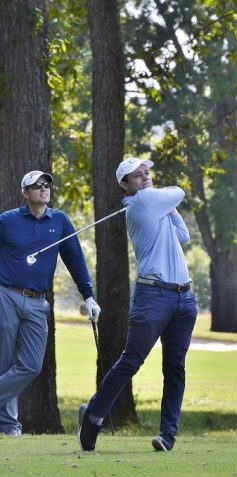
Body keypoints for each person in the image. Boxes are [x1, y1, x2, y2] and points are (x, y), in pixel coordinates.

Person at [77, 157, 198, 452]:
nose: (145, 177)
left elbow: (184, 236)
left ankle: (167, 435)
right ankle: (93, 416)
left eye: (146, 172)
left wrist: (166, 206)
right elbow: (179, 192)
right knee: (131, 361)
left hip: (184, 297)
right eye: (136, 175)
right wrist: (165, 202)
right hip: (153, 296)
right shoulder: (143, 202)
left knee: (175, 366)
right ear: (124, 185)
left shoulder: (151, 204)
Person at [0, 170, 101, 436]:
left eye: (47, 184)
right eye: (37, 185)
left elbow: (75, 259)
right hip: (6, 295)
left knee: (31, 365)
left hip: (37, 301)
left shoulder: (60, 221)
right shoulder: (7, 221)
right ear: (25, 193)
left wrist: (88, 296)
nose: (44, 188)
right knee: (4, 362)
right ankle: (9, 426)